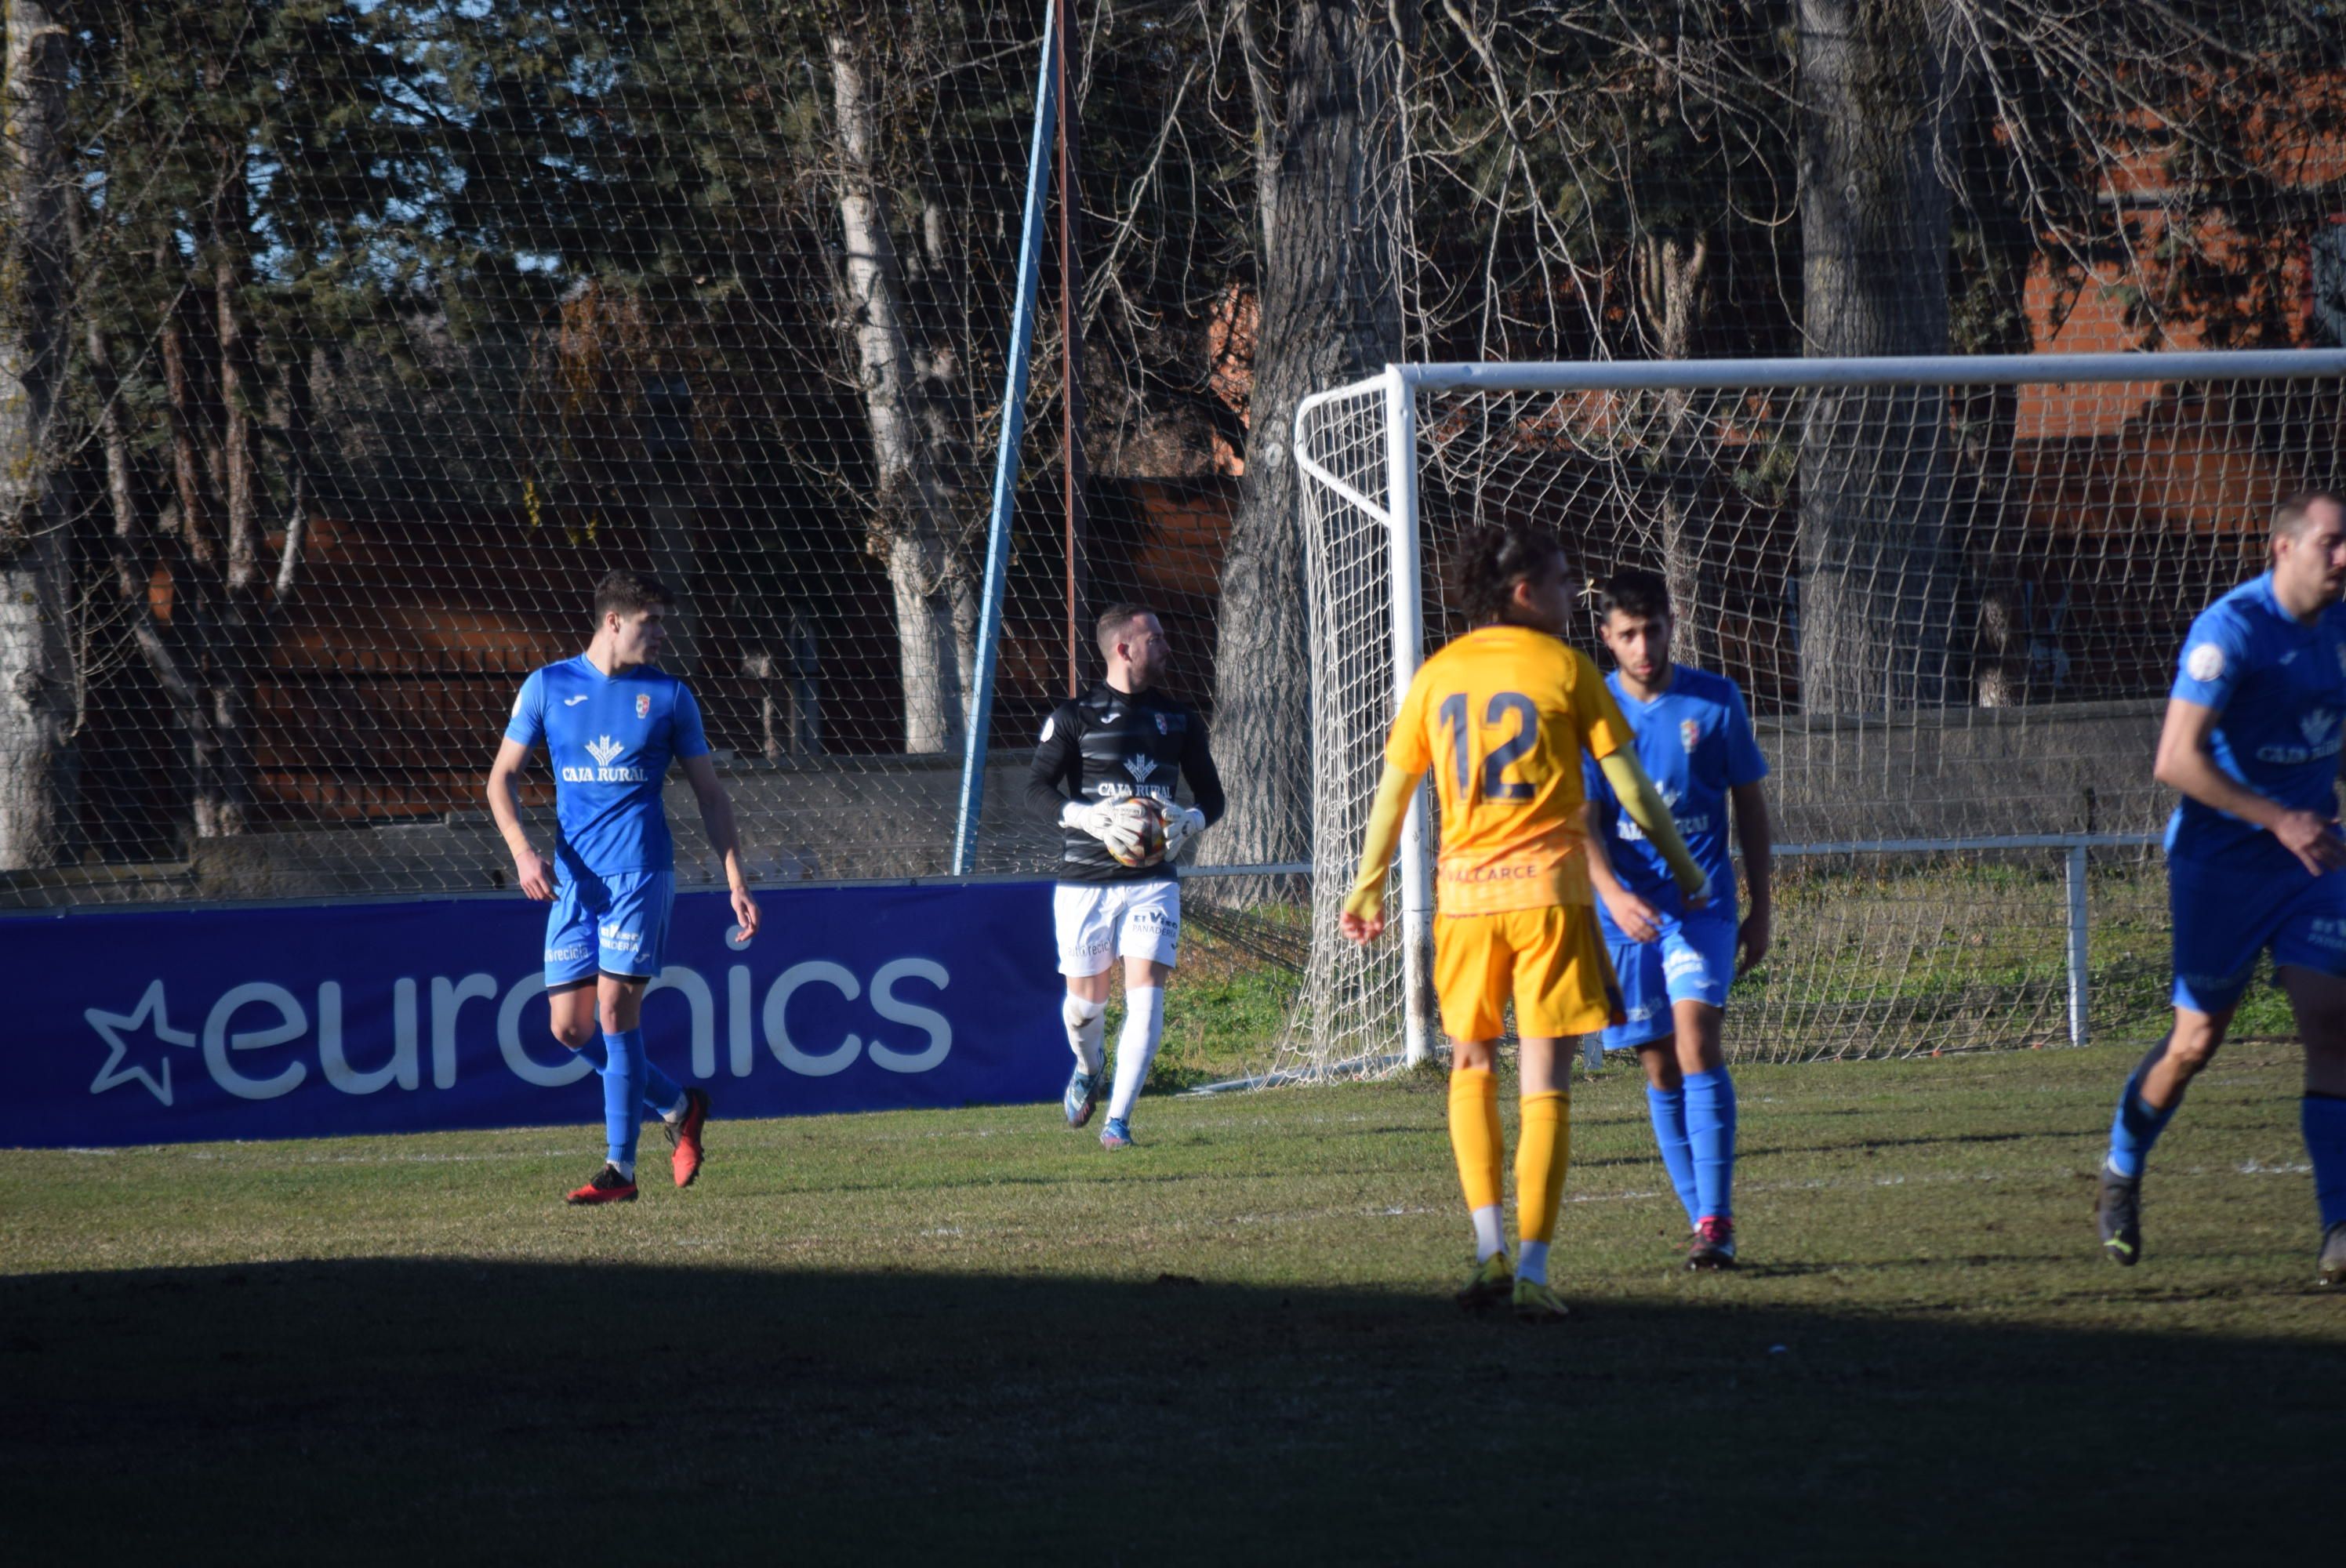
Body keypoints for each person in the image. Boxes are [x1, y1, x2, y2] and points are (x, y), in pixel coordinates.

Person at [1340, 524, 1711, 1320]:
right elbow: (1633, 791)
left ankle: (1486, 1252)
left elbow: (1392, 794)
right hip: (1547, 896)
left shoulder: (1436, 675)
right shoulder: (1568, 668)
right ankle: (1535, 1272)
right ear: (1521, 592)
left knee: (1469, 1063)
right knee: (1545, 1080)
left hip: (1466, 900)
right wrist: (1686, 869)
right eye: (1562, 579)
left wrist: (1367, 887)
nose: (1572, 592)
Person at [2100, 490, 2346, 1286]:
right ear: (2284, 548)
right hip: (2222, 864)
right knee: (2195, 1042)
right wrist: (2276, 818)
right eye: (2332, 544)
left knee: (2330, 1021)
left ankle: (2337, 1228)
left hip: (2310, 864)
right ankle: (2122, 1167)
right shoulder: (2230, 630)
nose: (2343, 559)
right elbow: (2175, 758)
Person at [485, 569, 761, 1205]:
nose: (662, 633)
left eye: (664, 620)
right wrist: (524, 854)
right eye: (651, 621)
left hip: (640, 873)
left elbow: (711, 795)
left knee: (613, 1010)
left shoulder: (669, 698)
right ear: (614, 621)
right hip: (573, 882)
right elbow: (501, 779)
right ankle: (677, 1104)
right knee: (569, 1030)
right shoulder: (548, 686)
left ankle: (620, 1169)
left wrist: (735, 878)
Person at [1580, 568, 1774, 1270]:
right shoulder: (1590, 712)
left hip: (1703, 907)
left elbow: (1750, 806)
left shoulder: (1716, 702)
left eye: (1653, 629)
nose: (1643, 646)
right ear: (1607, 638)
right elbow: (1583, 824)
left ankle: (1717, 1223)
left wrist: (1761, 907)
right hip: (1627, 917)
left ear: (1671, 624)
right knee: (1659, 1063)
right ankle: (1702, 1219)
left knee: (1697, 1041)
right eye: (1627, 634)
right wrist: (1615, 895)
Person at [1026, 603, 1224, 1149]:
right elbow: (1037, 788)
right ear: (1123, 648)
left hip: (1153, 880)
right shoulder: (1075, 716)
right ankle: (1089, 1066)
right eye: (1154, 638)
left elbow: (1213, 796)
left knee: (1147, 1000)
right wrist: (1085, 815)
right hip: (1085, 880)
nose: (1166, 646)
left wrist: (1191, 820)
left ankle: (1118, 1122)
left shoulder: (1179, 719)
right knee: (1085, 1010)